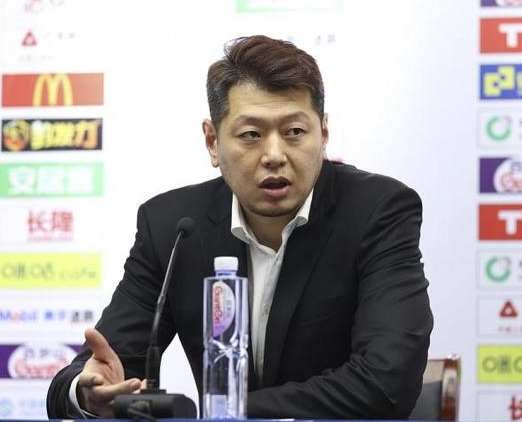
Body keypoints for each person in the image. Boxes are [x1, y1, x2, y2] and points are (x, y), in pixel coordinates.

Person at [47, 34, 433, 419]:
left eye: (295, 132)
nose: (274, 155)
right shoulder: (172, 227)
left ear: (324, 134)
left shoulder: (376, 212)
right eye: (251, 135)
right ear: (212, 142)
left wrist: (222, 413)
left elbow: (387, 383)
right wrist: (86, 391)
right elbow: (103, 366)